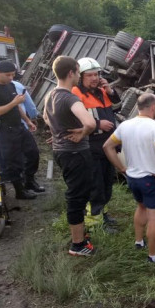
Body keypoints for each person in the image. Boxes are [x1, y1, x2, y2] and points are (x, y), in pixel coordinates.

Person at [103, 93, 155, 265]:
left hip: (132, 178)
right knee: (154, 217)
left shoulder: (125, 125)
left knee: (141, 207)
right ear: (153, 107)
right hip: (150, 179)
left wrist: (122, 168)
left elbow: (107, 146)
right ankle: (153, 257)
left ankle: (139, 242)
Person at [43, 56, 97, 256]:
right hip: (75, 153)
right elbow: (90, 123)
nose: (79, 75)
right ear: (71, 73)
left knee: (77, 192)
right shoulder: (69, 97)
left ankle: (80, 234)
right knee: (77, 196)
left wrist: (57, 132)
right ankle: (78, 244)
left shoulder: (51, 95)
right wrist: (82, 132)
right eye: (78, 71)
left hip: (61, 151)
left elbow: (45, 117)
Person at [71, 57, 121, 228]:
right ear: (81, 77)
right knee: (95, 185)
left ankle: (103, 214)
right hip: (90, 146)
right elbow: (74, 120)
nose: (94, 78)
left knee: (107, 183)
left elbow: (117, 105)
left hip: (107, 146)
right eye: (90, 75)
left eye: (96, 74)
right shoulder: (76, 93)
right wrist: (98, 124)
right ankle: (94, 224)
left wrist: (111, 90)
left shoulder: (102, 91)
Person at [0, 60, 43, 199]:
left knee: (33, 153)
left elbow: (17, 106)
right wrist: (14, 102)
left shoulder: (10, 85)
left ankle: (29, 181)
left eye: (13, 75)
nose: (11, 78)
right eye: (8, 75)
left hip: (19, 126)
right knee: (13, 161)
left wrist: (28, 121)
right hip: (5, 129)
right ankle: (20, 191)